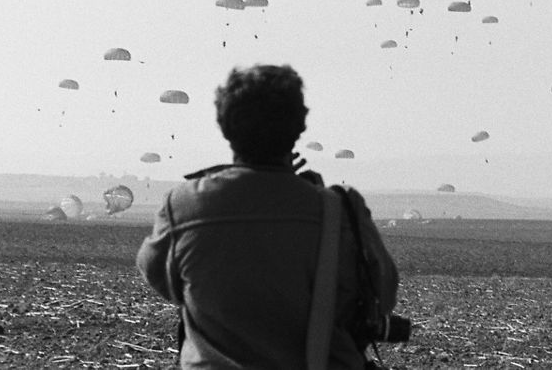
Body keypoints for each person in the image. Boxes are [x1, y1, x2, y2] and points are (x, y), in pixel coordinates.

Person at [137, 64, 399, 369]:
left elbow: (162, 279)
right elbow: (382, 296)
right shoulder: (340, 211)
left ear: (225, 127)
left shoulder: (184, 206)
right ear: (299, 125)